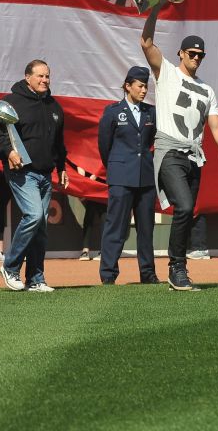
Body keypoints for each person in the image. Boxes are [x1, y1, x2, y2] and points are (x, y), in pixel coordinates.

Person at [141, 1, 218, 291]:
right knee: (183, 206)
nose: (196, 58)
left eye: (201, 54)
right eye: (192, 53)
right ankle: (176, 268)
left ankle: (179, 270)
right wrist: (156, 7)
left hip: (194, 155)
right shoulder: (167, 73)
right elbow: (146, 42)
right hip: (170, 149)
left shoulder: (207, 89)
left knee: (189, 210)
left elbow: (216, 126)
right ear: (181, 53)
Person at [0, 60, 69, 292]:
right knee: (33, 216)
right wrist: (9, 151)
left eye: (47, 76)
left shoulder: (54, 106)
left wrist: (62, 167)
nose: (44, 80)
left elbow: (59, 143)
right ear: (28, 78)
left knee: (40, 227)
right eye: (40, 76)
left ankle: (35, 278)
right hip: (22, 171)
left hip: (46, 173)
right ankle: (10, 266)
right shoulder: (10, 103)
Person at [96, 65, 160, 285]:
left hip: (145, 178)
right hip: (121, 177)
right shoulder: (113, 112)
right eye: (140, 86)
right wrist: (117, 166)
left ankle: (148, 273)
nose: (144, 90)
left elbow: (150, 142)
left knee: (146, 228)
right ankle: (108, 274)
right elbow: (105, 145)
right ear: (128, 86)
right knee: (116, 226)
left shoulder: (151, 112)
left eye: (146, 86)